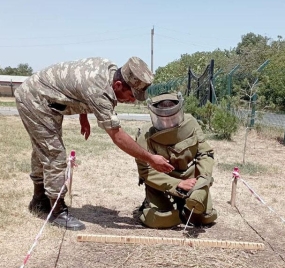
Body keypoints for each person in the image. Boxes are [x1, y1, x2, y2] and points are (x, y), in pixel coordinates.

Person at [14, 57, 174, 231]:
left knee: (43, 149)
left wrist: (84, 114)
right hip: (35, 99)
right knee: (53, 152)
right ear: (119, 85)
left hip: (45, 97)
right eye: (131, 95)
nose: (133, 101)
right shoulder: (100, 90)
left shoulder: (109, 71)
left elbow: (79, 88)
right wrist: (150, 158)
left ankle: (39, 200)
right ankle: (57, 210)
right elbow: (117, 136)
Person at [134, 92, 217, 228]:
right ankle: (158, 205)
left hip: (191, 179)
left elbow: (205, 154)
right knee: (161, 219)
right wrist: (177, 184)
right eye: (163, 118)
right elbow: (145, 171)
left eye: (172, 116)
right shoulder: (145, 134)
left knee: (205, 218)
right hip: (161, 182)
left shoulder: (191, 124)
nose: (168, 121)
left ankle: (186, 207)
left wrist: (202, 180)